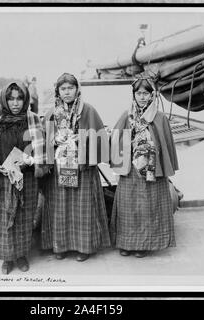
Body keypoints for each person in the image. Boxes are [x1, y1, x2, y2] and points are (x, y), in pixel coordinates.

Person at [0, 80, 46, 274]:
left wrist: (29, 161)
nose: (15, 103)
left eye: (20, 98)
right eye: (11, 99)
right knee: (2, 218)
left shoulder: (33, 120)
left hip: (26, 178)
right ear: (4, 100)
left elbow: (41, 150)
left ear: (25, 99)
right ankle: (6, 258)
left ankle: (21, 256)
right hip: (1, 178)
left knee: (23, 217)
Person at [40, 73, 111, 262]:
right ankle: (60, 246)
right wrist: (54, 139)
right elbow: (43, 139)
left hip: (83, 167)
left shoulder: (88, 110)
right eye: (63, 89)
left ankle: (84, 247)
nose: (67, 92)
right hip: (59, 167)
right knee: (60, 206)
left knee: (83, 206)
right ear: (58, 91)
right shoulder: (52, 113)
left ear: (77, 89)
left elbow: (101, 136)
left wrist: (84, 137)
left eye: (70, 88)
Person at [110, 74, 179, 258]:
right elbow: (116, 137)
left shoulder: (159, 117)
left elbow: (165, 143)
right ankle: (126, 243)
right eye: (138, 93)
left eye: (145, 93)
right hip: (130, 167)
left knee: (147, 205)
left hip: (151, 167)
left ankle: (144, 244)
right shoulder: (127, 115)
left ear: (152, 95)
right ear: (133, 95)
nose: (142, 97)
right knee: (128, 205)